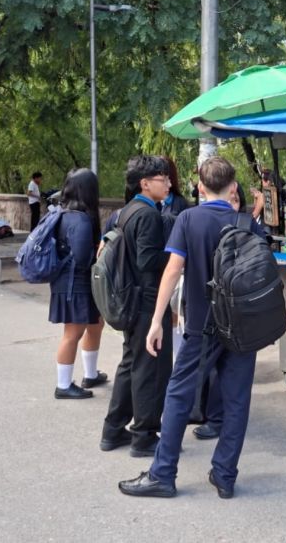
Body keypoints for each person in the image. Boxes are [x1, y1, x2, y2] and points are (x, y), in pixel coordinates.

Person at [119, 157, 266, 500]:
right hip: (243, 328)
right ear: (233, 188)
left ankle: (163, 473)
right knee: (237, 400)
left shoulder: (188, 219)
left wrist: (157, 321)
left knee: (178, 394)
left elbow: (172, 272)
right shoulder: (247, 222)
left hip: (201, 326)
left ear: (200, 187)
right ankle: (225, 474)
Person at [100, 156, 174, 457]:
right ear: (145, 183)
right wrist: (176, 257)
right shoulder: (147, 215)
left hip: (130, 299)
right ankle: (144, 436)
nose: (168, 183)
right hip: (146, 301)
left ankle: (113, 430)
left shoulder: (126, 211)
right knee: (150, 370)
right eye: (163, 178)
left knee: (130, 365)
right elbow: (147, 260)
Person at [49, 168, 106, 400]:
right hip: (76, 283)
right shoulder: (81, 220)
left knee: (95, 324)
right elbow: (82, 257)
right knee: (73, 332)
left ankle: (90, 374)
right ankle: (63, 385)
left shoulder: (63, 214)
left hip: (70, 281)